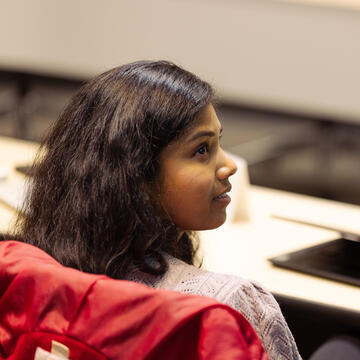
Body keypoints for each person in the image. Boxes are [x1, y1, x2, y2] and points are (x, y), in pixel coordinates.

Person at [13, 60, 301, 360]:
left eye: (219, 143)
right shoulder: (225, 308)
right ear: (136, 176)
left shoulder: (33, 280)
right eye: (202, 150)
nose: (228, 165)